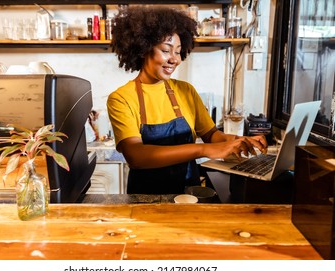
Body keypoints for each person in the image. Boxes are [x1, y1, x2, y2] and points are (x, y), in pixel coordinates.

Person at [107, 6, 267, 194]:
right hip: (146, 199)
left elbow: (212, 136)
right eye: (166, 50)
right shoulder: (121, 98)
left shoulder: (185, 91)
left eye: (178, 51)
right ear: (143, 49)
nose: (175, 59)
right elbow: (136, 156)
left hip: (189, 194)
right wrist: (203, 150)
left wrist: (239, 141)